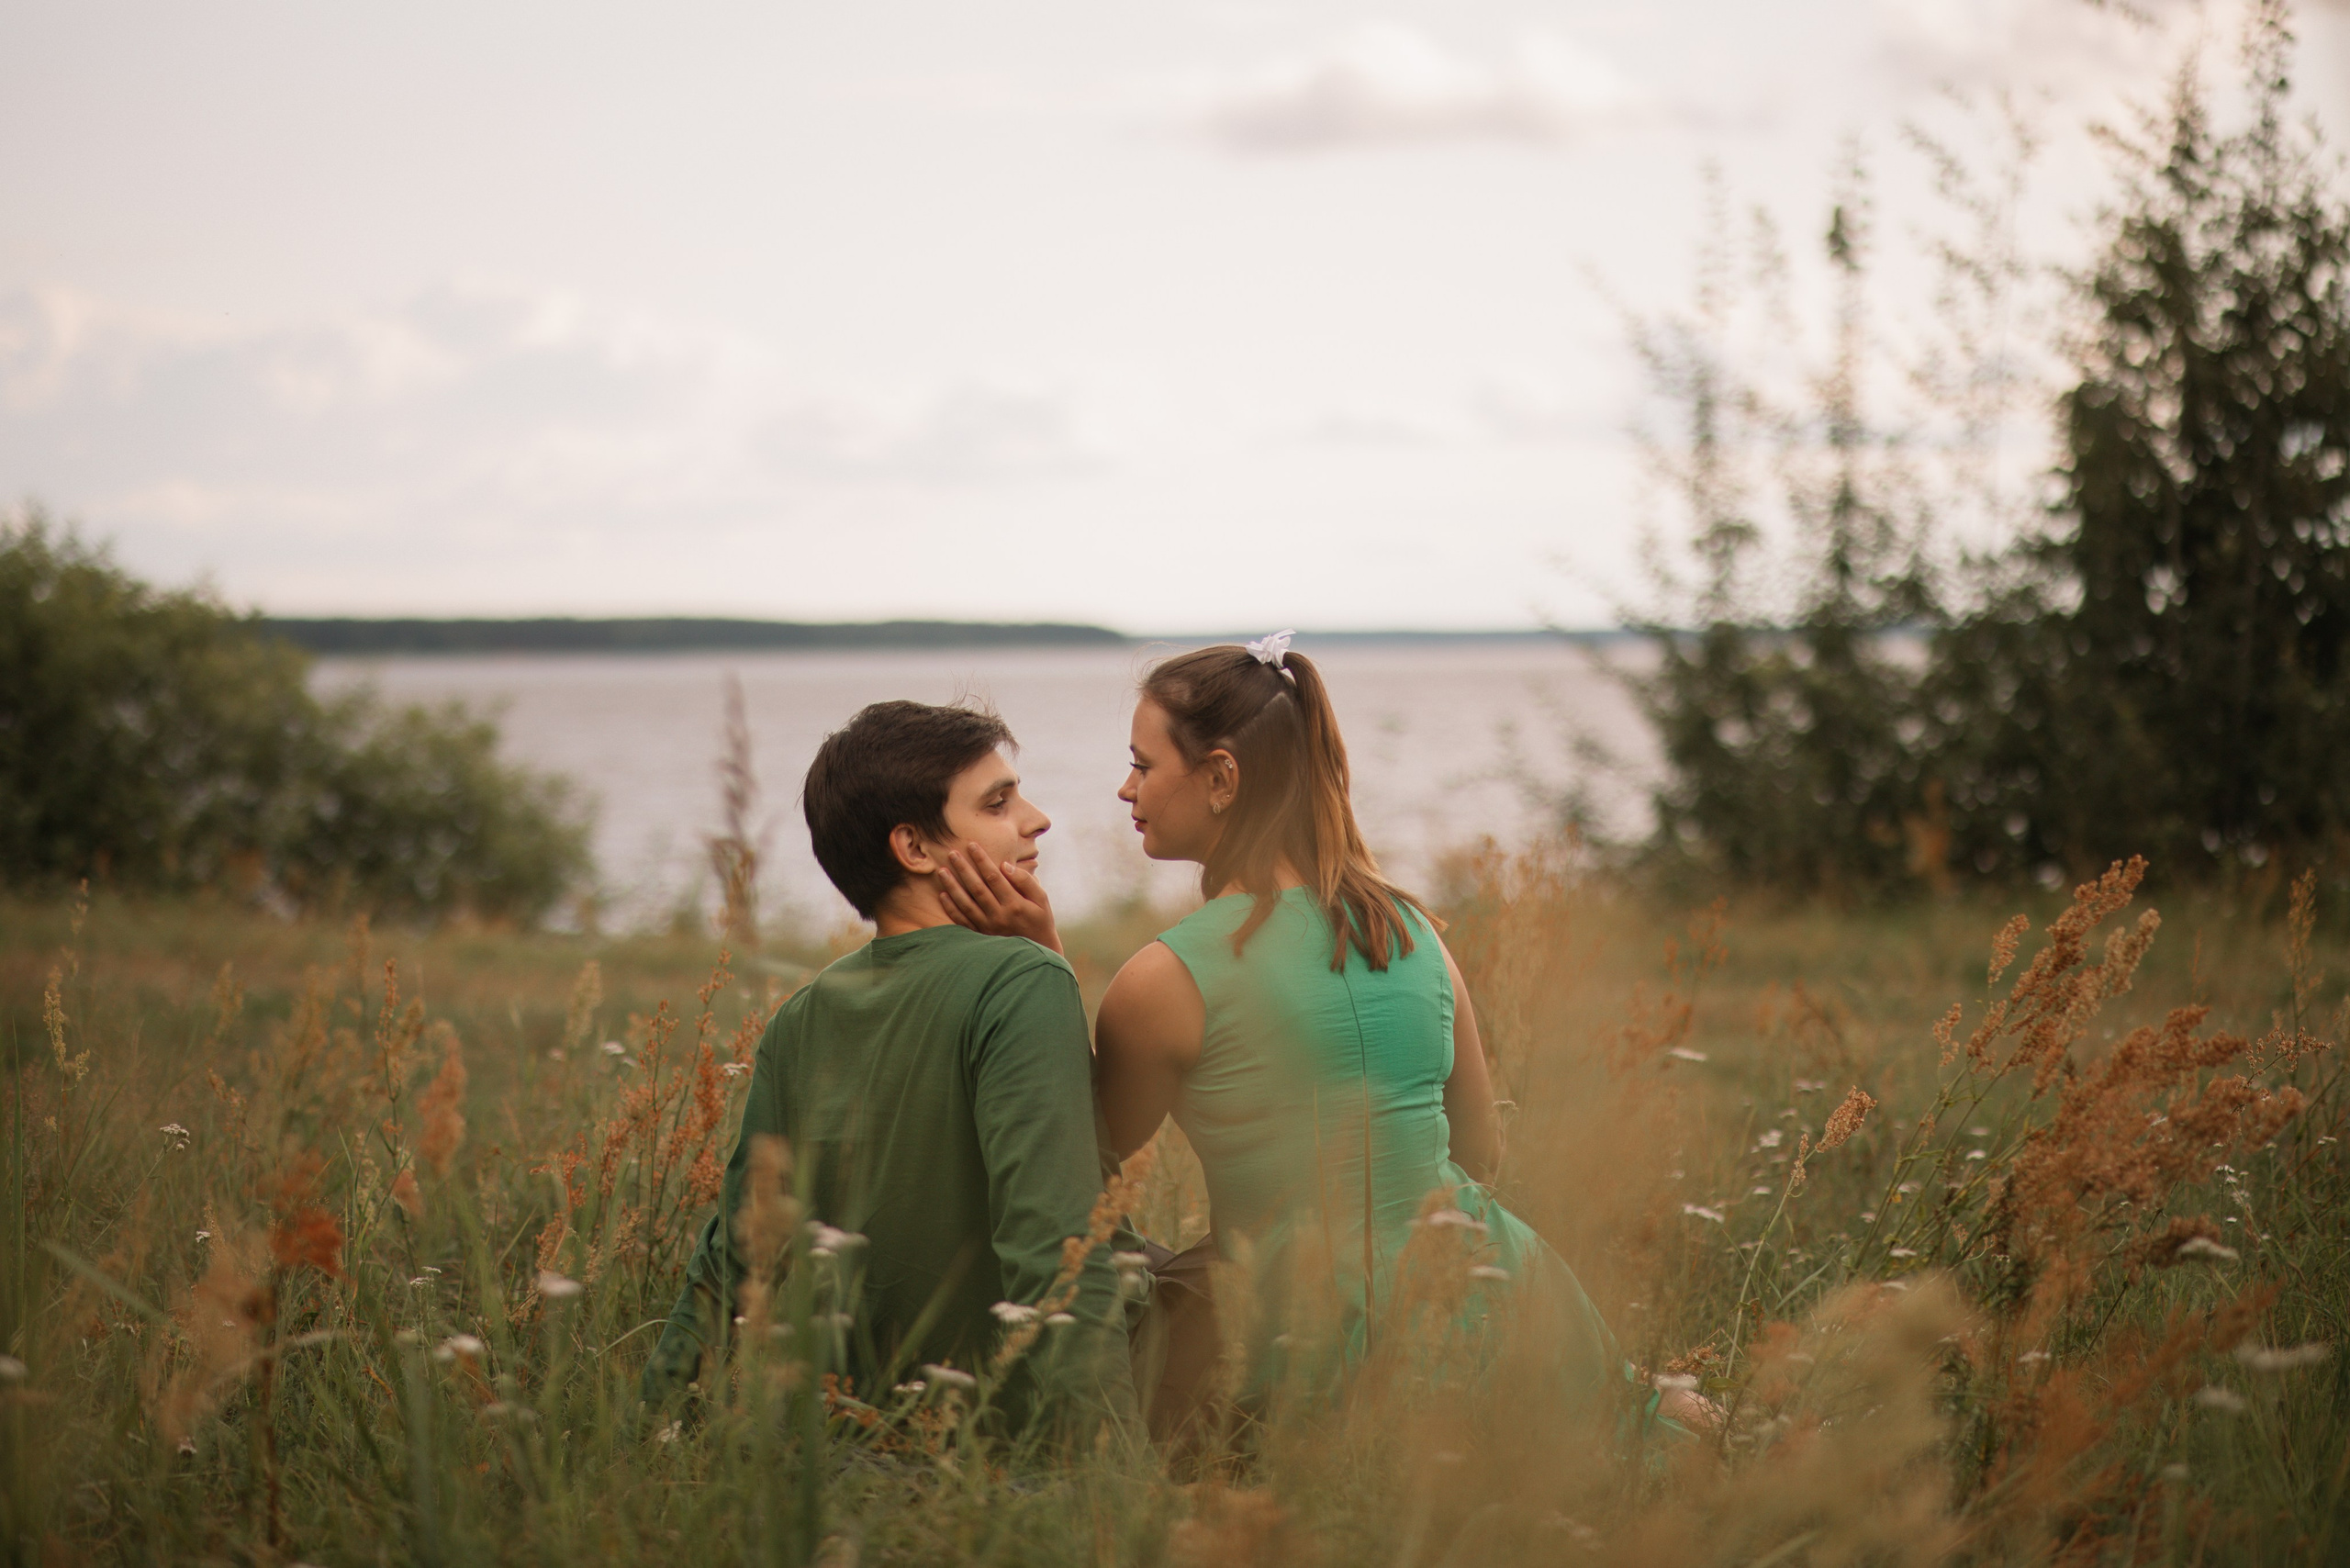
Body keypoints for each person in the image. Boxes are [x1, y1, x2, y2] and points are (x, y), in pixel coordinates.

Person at [940, 635, 1700, 1437]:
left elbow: (1077, 1164)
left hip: (1301, 1330)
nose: (1126, 789)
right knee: (1623, 1435)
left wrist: (1041, 958)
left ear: (1223, 777)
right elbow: (1481, 1154)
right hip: (1494, 1286)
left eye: (1143, 765)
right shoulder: (1415, 930)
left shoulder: (1167, 979)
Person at [641, 699, 1136, 1441]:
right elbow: (1059, 1243)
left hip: (853, 1426)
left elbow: (734, 1253)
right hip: (995, 1431)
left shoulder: (801, 1013)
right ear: (915, 847)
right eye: (999, 803)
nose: (1037, 819)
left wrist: (650, 1424)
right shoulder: (1018, 982)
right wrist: (1111, 1469)